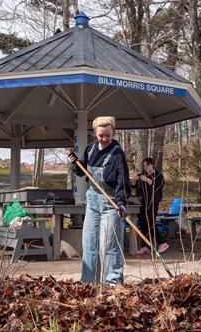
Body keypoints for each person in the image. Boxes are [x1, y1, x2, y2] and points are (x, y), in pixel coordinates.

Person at [68, 116, 130, 286]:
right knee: (89, 243)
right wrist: (75, 163)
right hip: (93, 203)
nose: (104, 139)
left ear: (113, 133)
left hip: (111, 203)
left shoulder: (117, 153)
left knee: (109, 245)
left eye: (108, 135)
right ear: (95, 133)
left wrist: (121, 202)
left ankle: (114, 284)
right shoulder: (90, 149)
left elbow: (123, 182)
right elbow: (81, 171)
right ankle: (89, 283)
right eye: (101, 135)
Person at [130, 157, 169, 255]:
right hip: (141, 202)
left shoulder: (158, 175)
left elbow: (157, 185)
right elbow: (134, 186)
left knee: (150, 222)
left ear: (152, 165)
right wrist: (133, 181)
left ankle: (162, 242)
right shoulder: (141, 175)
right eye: (144, 165)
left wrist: (147, 179)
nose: (146, 167)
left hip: (152, 202)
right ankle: (145, 245)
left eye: (148, 165)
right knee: (143, 224)